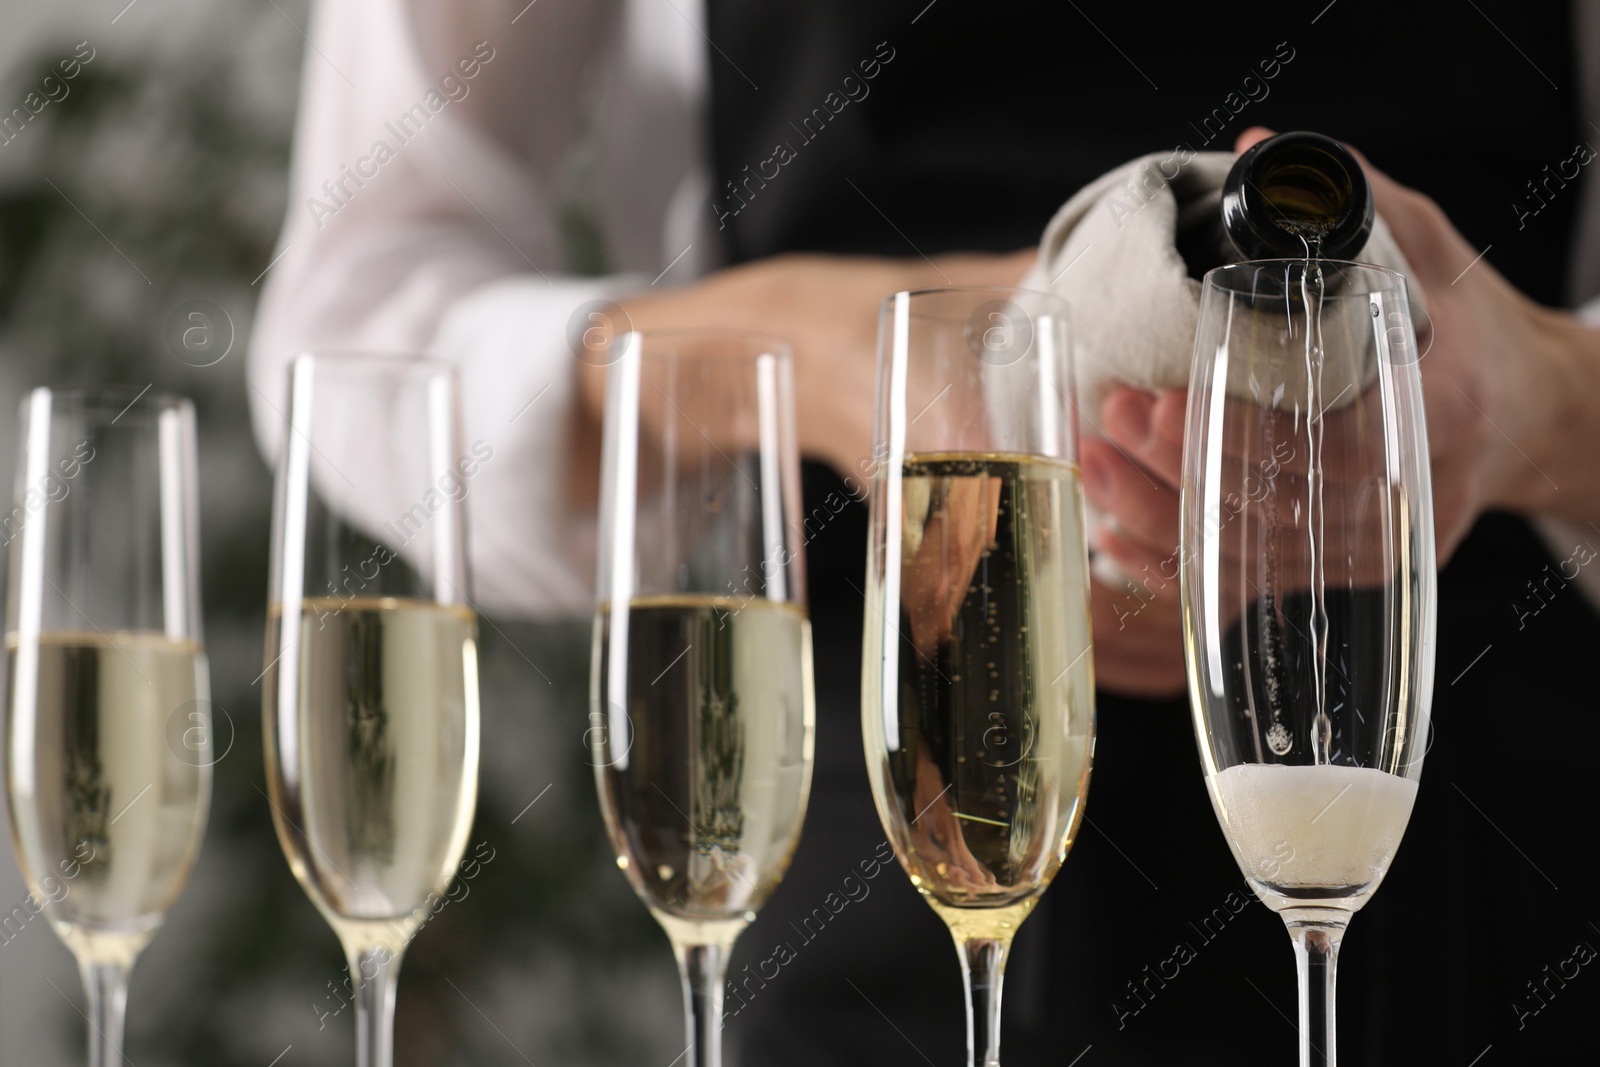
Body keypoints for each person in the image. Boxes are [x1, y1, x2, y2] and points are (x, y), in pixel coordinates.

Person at [251, 0, 1600, 1060]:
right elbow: (356, 307)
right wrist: (810, 347)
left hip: (1478, 854)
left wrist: (1534, 396)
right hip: (870, 828)